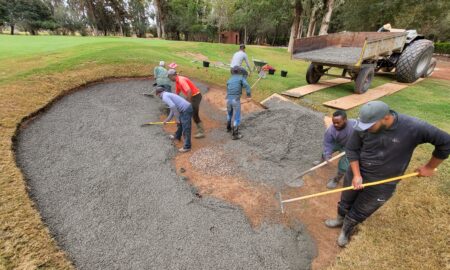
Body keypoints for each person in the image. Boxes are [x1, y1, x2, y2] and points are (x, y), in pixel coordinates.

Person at [325, 101, 450, 247]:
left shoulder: (413, 127)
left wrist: (429, 167)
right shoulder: (363, 125)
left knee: (362, 209)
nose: (366, 129)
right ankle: (339, 219)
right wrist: (357, 175)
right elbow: (352, 150)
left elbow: (446, 142)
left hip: (383, 182)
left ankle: (346, 231)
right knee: (346, 199)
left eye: (370, 126)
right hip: (357, 172)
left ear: (385, 118)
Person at [322, 110, 356, 189]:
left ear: (345, 120)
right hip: (337, 142)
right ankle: (323, 160)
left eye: (338, 122)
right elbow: (327, 144)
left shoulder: (354, 124)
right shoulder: (330, 130)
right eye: (334, 122)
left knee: (344, 166)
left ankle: (336, 180)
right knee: (324, 151)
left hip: (350, 147)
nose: (335, 124)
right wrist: (327, 154)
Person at [167, 69, 205, 138]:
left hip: (196, 97)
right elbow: (177, 94)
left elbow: (189, 91)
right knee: (192, 113)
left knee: (194, 114)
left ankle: (201, 132)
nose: (169, 78)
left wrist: (187, 103)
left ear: (173, 75)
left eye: (169, 77)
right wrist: (174, 102)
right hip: (193, 97)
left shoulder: (181, 80)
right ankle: (199, 130)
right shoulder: (177, 82)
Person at [155, 87, 193, 153]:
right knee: (180, 125)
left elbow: (173, 106)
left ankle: (187, 147)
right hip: (185, 109)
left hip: (186, 110)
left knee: (186, 128)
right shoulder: (167, 94)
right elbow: (172, 109)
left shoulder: (164, 96)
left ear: (158, 94)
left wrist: (178, 118)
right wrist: (167, 120)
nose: (158, 96)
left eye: (157, 95)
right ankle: (177, 136)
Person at [226, 68, 251, 140]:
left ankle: (228, 128)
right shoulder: (241, 78)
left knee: (229, 114)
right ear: (239, 72)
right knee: (237, 117)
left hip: (228, 100)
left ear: (232, 73)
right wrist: (249, 96)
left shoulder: (229, 80)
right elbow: (247, 86)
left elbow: (229, 89)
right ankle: (235, 134)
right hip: (236, 100)